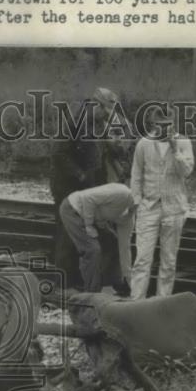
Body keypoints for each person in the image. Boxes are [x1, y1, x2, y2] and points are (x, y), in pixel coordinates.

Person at [50, 87, 123, 288]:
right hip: (68, 186)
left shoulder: (97, 122)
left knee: (83, 234)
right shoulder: (74, 121)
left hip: (87, 187)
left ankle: (77, 280)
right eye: (105, 112)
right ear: (96, 105)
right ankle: (62, 284)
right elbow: (58, 153)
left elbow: (100, 152)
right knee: (67, 233)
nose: (106, 117)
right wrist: (81, 175)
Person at [129, 105, 195, 298]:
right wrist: (137, 201)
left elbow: (187, 172)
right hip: (148, 207)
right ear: (153, 124)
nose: (163, 129)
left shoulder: (183, 142)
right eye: (159, 125)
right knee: (142, 259)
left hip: (174, 208)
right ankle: (136, 302)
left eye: (168, 125)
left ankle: (162, 302)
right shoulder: (143, 144)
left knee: (169, 261)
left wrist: (176, 151)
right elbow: (136, 174)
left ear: (173, 124)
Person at [59, 183, 135, 293]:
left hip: (93, 218)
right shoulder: (121, 193)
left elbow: (124, 246)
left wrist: (128, 277)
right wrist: (89, 225)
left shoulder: (130, 215)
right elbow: (88, 198)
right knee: (92, 249)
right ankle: (91, 290)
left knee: (113, 241)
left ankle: (114, 281)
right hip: (73, 209)